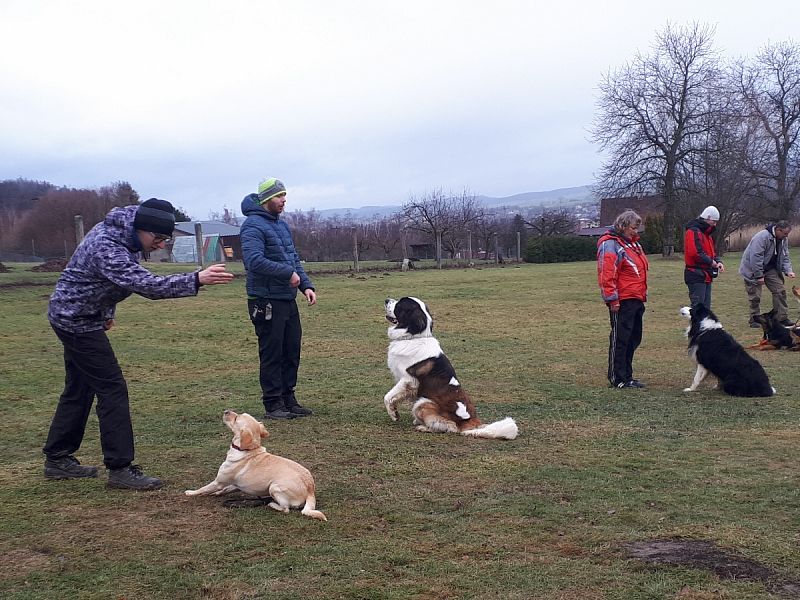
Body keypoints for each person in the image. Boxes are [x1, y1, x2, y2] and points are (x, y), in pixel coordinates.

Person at [43, 198, 235, 490]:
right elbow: (148, 285)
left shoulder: (126, 234)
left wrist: (106, 312)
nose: (159, 245)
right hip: (76, 321)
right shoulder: (108, 246)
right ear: (140, 228)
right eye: (157, 239)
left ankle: (57, 458)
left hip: (82, 314)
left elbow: (104, 283)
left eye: (165, 239)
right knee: (112, 388)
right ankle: (120, 468)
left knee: (79, 388)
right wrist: (197, 279)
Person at [240, 178, 317, 420]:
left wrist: (305, 284)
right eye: (278, 196)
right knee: (272, 352)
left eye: (284, 195)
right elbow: (253, 261)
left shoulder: (281, 226)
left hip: (286, 298)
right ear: (265, 200)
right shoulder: (252, 226)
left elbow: (292, 258)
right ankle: (272, 404)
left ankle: (288, 398)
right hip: (265, 300)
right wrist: (287, 273)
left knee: (291, 349)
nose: (283, 200)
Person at [597, 209, 649, 389]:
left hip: (636, 298)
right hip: (622, 300)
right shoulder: (610, 244)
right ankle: (617, 378)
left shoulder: (633, 245)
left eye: (638, 228)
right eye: (634, 228)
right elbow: (607, 273)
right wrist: (612, 299)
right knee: (621, 338)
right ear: (623, 225)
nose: (636, 231)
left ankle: (628, 376)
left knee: (634, 338)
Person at [739, 220, 796, 328]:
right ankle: (754, 319)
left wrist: (788, 270)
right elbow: (755, 257)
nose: (786, 236)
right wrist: (759, 275)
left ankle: (781, 318)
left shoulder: (784, 239)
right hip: (752, 269)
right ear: (778, 230)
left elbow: (785, 255)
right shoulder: (761, 237)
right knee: (755, 296)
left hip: (770, 269)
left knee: (780, 291)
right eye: (784, 233)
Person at [683, 205, 725, 310]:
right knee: (698, 309)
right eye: (714, 222)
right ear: (708, 218)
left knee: (706, 309)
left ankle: (704, 326)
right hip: (696, 275)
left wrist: (718, 261)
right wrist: (712, 262)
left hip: (705, 275)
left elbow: (711, 253)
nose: (715, 225)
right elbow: (696, 253)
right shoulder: (693, 232)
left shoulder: (706, 234)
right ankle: (697, 326)